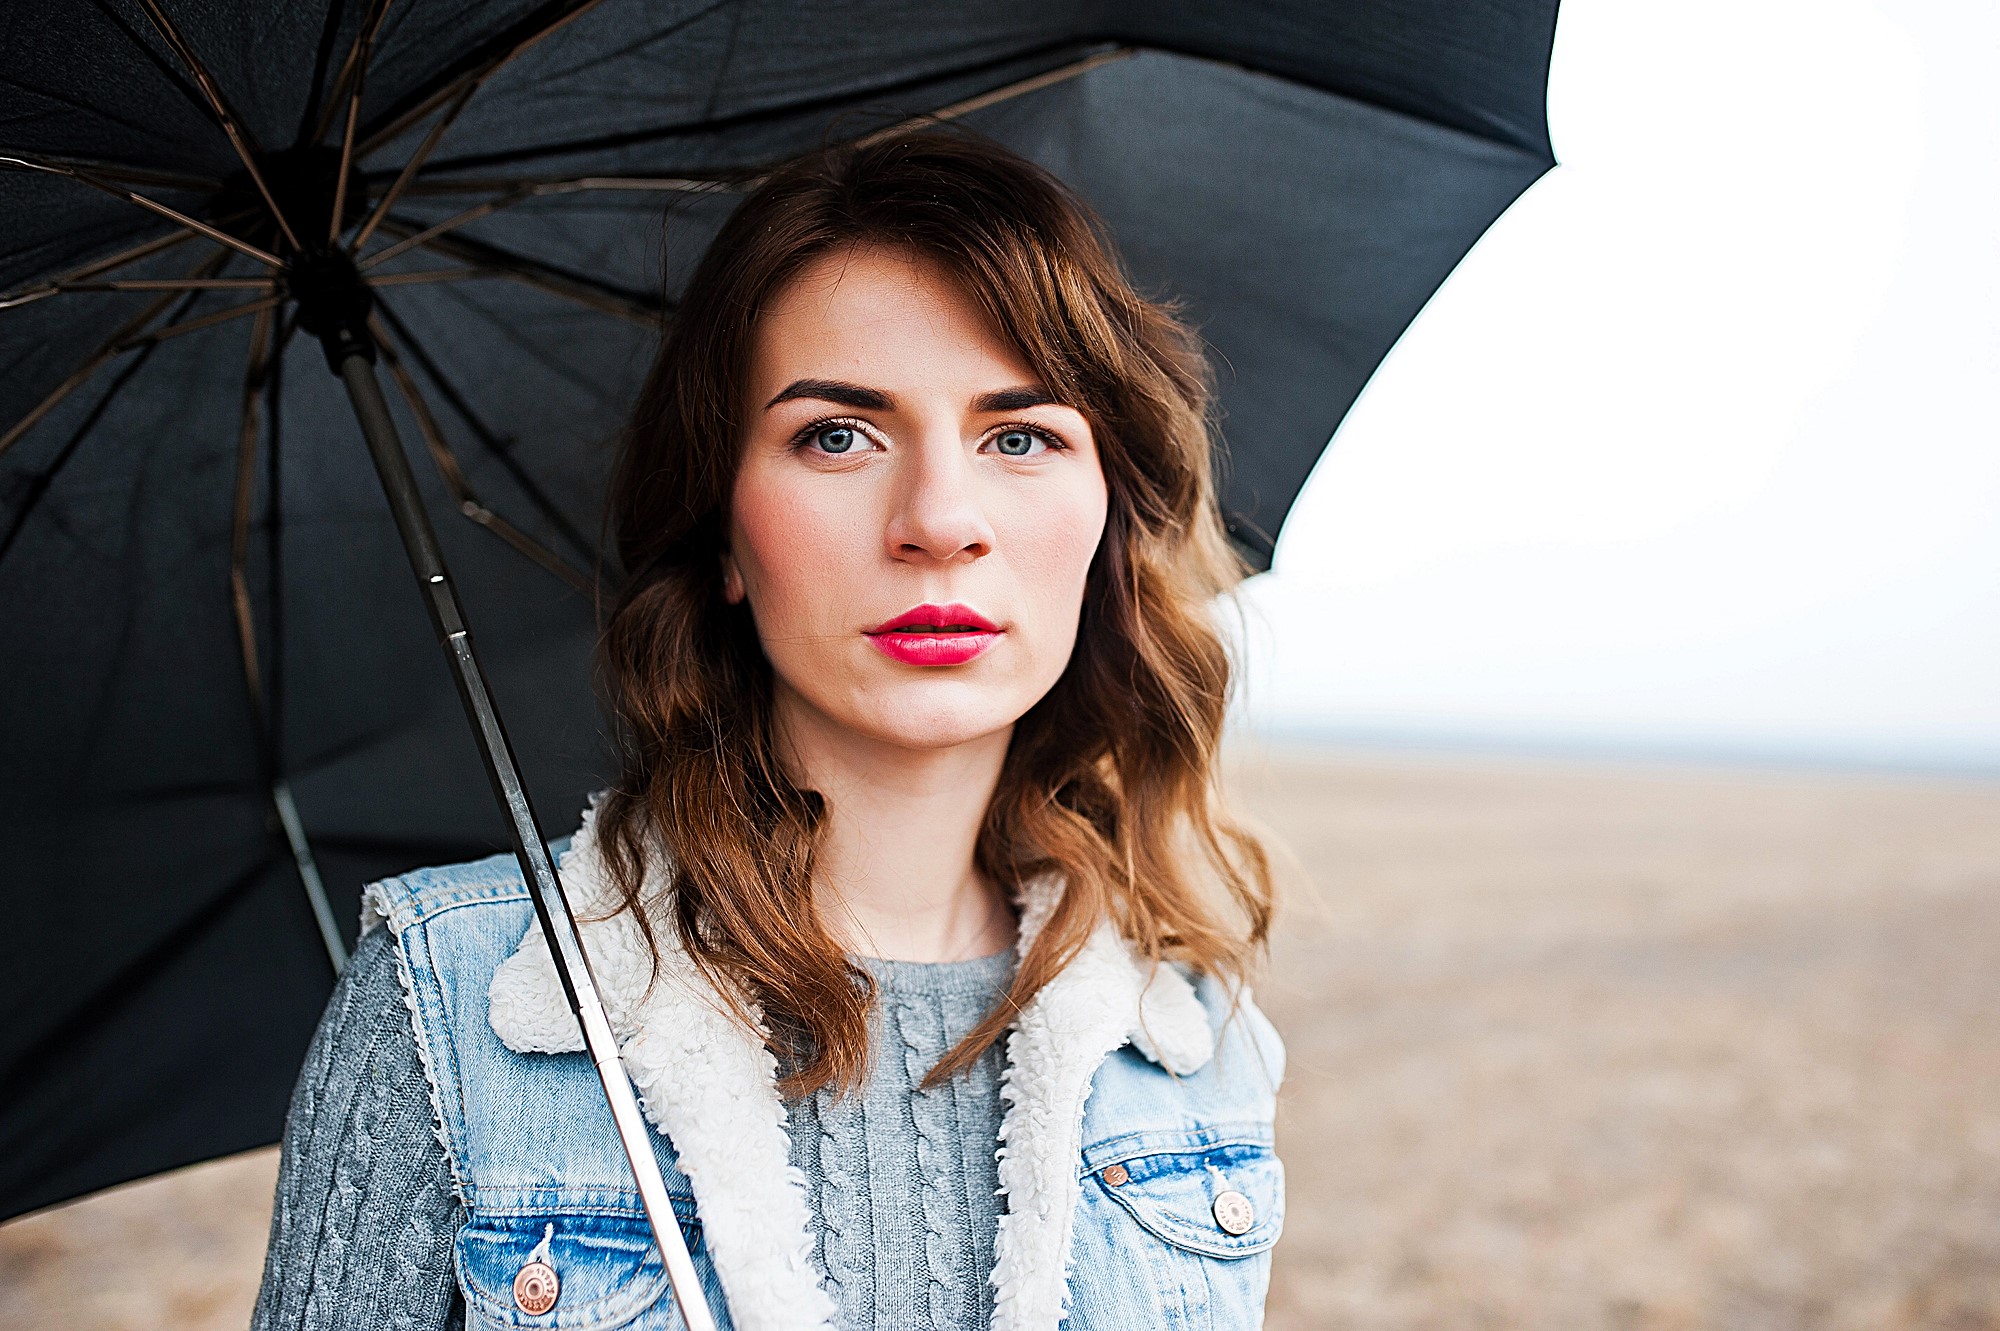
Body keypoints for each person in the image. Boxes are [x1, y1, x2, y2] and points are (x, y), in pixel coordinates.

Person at [252, 130, 1284, 1331]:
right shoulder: (460, 1005)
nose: (938, 520)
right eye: (836, 435)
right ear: (724, 532)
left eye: (1019, 436)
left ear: (1105, 513)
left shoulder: (1192, 1042)